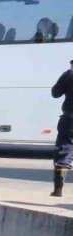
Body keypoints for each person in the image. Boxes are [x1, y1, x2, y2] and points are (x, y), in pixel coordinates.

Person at [50, 60, 73, 197]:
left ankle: (58, 189)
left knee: (64, 149)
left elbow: (55, 93)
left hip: (69, 119)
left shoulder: (69, 74)